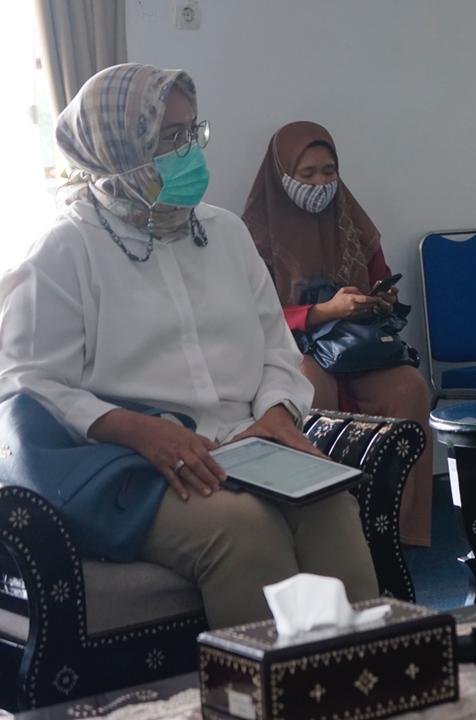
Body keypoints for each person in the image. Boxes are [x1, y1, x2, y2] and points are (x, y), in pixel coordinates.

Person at [0, 64, 379, 629]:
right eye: (169, 138)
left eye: (192, 132)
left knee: (329, 506)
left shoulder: (225, 233)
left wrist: (276, 413)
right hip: (131, 464)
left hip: (245, 444)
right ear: (116, 151)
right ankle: (264, 682)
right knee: (244, 528)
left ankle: (367, 673)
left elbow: (277, 348)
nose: (189, 153)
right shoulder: (66, 250)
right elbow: (24, 381)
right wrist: (133, 428)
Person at [242, 121, 434, 547]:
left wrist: (378, 300)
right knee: (308, 389)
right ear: (282, 174)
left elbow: (380, 276)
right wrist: (322, 311)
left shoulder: (351, 221)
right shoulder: (253, 235)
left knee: (410, 388)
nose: (320, 184)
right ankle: (328, 531)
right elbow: (253, 315)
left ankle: (397, 528)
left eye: (328, 171)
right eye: (307, 174)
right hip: (294, 347)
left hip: (356, 346)